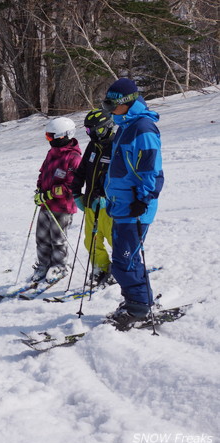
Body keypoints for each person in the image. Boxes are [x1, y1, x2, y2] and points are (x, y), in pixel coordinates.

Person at [102, 77, 164, 328]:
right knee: (127, 260)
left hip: (135, 207)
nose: (107, 109)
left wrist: (143, 198)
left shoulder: (143, 128)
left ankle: (139, 309)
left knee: (123, 262)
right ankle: (137, 301)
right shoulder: (126, 126)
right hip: (122, 205)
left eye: (110, 104)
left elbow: (150, 170)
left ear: (126, 103)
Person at [31, 117, 82, 283]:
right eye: (48, 137)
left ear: (65, 136)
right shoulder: (52, 153)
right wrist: (39, 190)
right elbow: (43, 173)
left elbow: (71, 186)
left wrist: (49, 194)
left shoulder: (73, 158)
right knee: (42, 238)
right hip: (46, 205)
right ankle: (43, 264)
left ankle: (59, 266)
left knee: (58, 239)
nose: (50, 141)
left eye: (52, 137)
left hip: (62, 207)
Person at [70, 109, 116, 287]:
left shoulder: (116, 146)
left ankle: (122, 269)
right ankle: (101, 268)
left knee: (114, 240)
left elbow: (117, 177)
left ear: (105, 128)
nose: (90, 134)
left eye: (93, 130)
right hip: (90, 204)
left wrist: (107, 196)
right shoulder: (93, 146)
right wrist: (76, 194)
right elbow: (81, 171)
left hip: (109, 206)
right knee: (91, 241)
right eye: (88, 131)